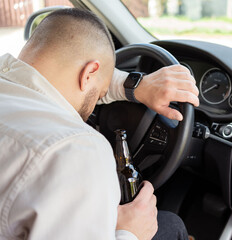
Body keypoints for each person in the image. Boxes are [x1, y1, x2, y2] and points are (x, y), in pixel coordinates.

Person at [0, 8, 199, 240]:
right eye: (99, 95)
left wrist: (136, 86)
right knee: (171, 224)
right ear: (89, 73)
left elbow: (79, 75)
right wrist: (131, 233)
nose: (95, 106)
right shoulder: (76, 149)